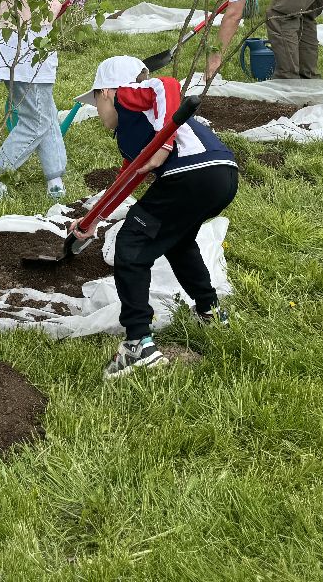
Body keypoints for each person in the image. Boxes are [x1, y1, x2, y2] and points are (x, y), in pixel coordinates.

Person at [72, 56, 238, 379]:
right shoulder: (129, 137)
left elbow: (168, 85)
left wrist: (166, 142)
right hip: (222, 175)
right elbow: (127, 181)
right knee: (177, 241)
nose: (96, 110)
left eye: (94, 100)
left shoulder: (127, 97)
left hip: (193, 170)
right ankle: (210, 311)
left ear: (106, 92)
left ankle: (138, 344)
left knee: (131, 242)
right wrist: (91, 221)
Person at [0, 0, 102, 201]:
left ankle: (55, 177)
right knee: (37, 120)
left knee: (46, 112)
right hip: (23, 47)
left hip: (18, 46)